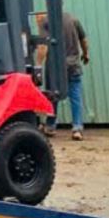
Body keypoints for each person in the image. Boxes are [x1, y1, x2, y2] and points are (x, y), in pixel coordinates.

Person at [39, 10, 90, 140]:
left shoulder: (46, 21)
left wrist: (38, 65)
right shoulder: (73, 19)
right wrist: (86, 54)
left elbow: (43, 46)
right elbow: (83, 39)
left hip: (54, 66)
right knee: (75, 97)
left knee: (52, 95)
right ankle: (77, 129)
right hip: (73, 65)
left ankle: (50, 126)